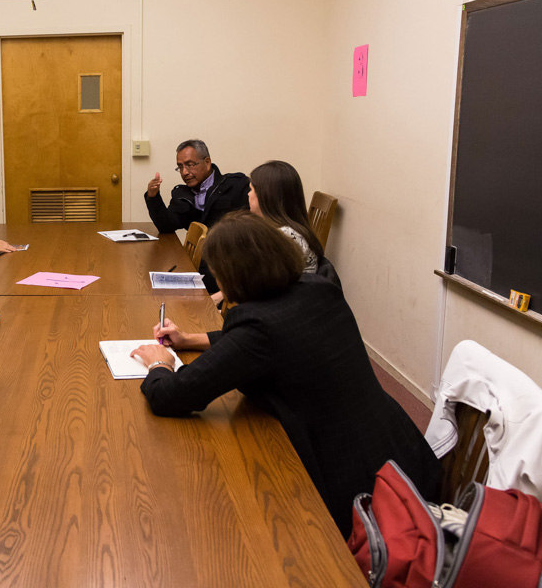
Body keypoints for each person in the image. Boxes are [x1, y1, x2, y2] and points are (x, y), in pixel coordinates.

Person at [131, 212, 439, 535]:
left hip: (360, 493)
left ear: (232, 276)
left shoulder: (258, 330)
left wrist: (160, 364)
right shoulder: (318, 288)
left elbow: (175, 396)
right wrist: (190, 339)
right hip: (403, 455)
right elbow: (264, 338)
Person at [143, 139, 250, 234]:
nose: (184, 172)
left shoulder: (236, 185)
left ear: (207, 163)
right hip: (198, 255)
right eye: (180, 167)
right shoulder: (181, 195)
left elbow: (252, 224)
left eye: (190, 165)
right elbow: (166, 226)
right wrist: (153, 197)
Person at [249, 160, 323, 273]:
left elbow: (255, 285)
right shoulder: (285, 231)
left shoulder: (284, 238)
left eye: (251, 189)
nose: (248, 194)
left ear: (267, 197)